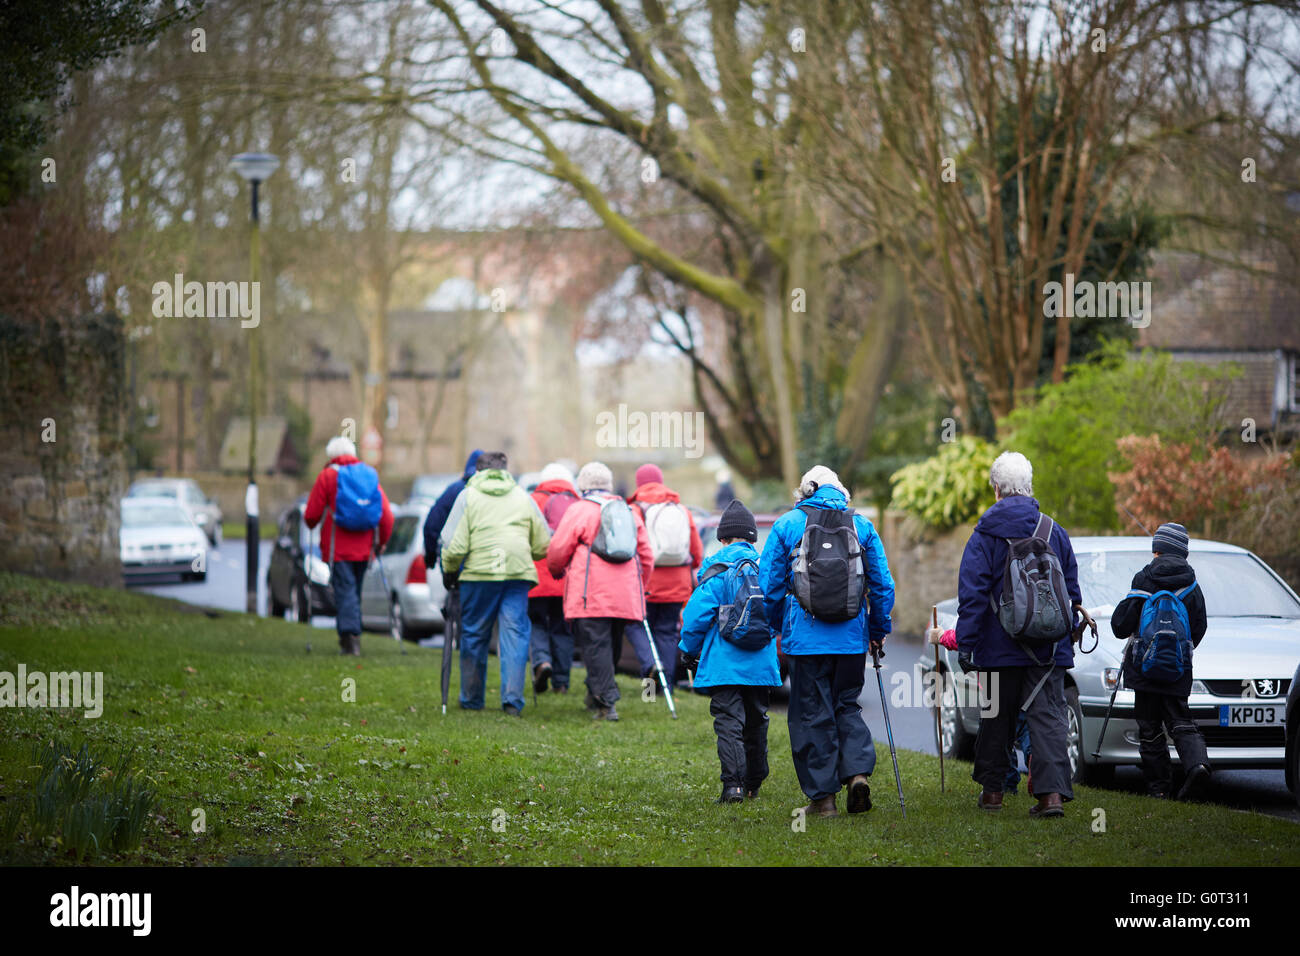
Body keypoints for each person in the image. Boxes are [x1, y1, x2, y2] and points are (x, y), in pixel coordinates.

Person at [759, 465, 895, 819]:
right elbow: (882, 585)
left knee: (810, 715)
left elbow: (770, 586)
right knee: (846, 706)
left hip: (805, 640)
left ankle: (823, 801)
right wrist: (877, 630)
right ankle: (857, 775)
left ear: (805, 491)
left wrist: (777, 627)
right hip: (851, 641)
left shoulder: (788, 524)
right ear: (841, 493)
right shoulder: (861, 526)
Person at [956, 451, 1082, 818]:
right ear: (1029, 487)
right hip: (1048, 649)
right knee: (1048, 719)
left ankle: (993, 795)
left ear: (996, 489)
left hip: (999, 648)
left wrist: (967, 644)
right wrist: (1068, 634)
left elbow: (973, 594)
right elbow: (1071, 591)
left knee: (996, 719)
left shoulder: (984, 535)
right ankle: (1051, 798)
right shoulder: (1053, 530)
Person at [679, 500, 781, 803]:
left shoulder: (717, 571)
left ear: (723, 538)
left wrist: (688, 649)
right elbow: (779, 613)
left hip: (724, 665)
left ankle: (733, 786)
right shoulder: (766, 570)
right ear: (752, 538)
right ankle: (754, 783)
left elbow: (695, 617)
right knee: (757, 721)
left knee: (728, 723)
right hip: (761, 664)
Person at [439, 451, 550, 716]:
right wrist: (527, 554)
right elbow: (543, 542)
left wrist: (449, 571)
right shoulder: (523, 497)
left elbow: (453, 545)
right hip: (516, 572)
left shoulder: (467, 496)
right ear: (505, 470)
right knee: (515, 634)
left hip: (480, 574)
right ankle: (512, 700)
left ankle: (472, 698)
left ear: (478, 471)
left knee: (475, 634)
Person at [546, 461, 654, 722]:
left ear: (582, 486)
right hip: (624, 593)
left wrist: (557, 570)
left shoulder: (580, 510)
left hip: (590, 593)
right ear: (608, 485)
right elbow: (647, 555)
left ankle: (607, 703)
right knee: (611, 646)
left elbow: (558, 550)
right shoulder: (629, 511)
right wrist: (641, 586)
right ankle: (595, 695)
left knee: (596, 647)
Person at [1110, 522, 1210, 800]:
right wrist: (1179, 654)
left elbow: (1121, 626)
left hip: (1144, 669)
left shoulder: (1144, 579)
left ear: (1157, 550)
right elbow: (1199, 627)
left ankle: (1159, 789)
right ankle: (1197, 765)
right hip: (1178, 670)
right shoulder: (1192, 584)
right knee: (1181, 720)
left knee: (1150, 727)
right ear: (1183, 552)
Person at [303, 436, 394, 656]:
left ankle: (350, 639)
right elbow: (387, 516)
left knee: (345, 593)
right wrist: (381, 543)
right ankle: (349, 635)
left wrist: (314, 522)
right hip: (365, 549)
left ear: (332, 456)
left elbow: (311, 515)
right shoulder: (369, 476)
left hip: (338, 549)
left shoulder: (328, 476)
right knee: (353, 593)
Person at [626, 463, 703, 689]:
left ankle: (650, 674)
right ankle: (665, 687)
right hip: (677, 583)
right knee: (667, 633)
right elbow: (696, 552)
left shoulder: (635, 510)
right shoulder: (681, 509)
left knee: (636, 625)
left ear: (639, 483)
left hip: (646, 582)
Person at [528, 462, 580, 694]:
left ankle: (542, 662)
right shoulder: (577, 503)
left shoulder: (532, 500)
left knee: (535, 622)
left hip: (536, 577)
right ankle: (561, 682)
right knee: (562, 629)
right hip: (566, 578)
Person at [423, 448, 482, 570]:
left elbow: (432, 524)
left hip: (456, 563)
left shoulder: (453, 491)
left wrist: (431, 556)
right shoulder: (493, 492)